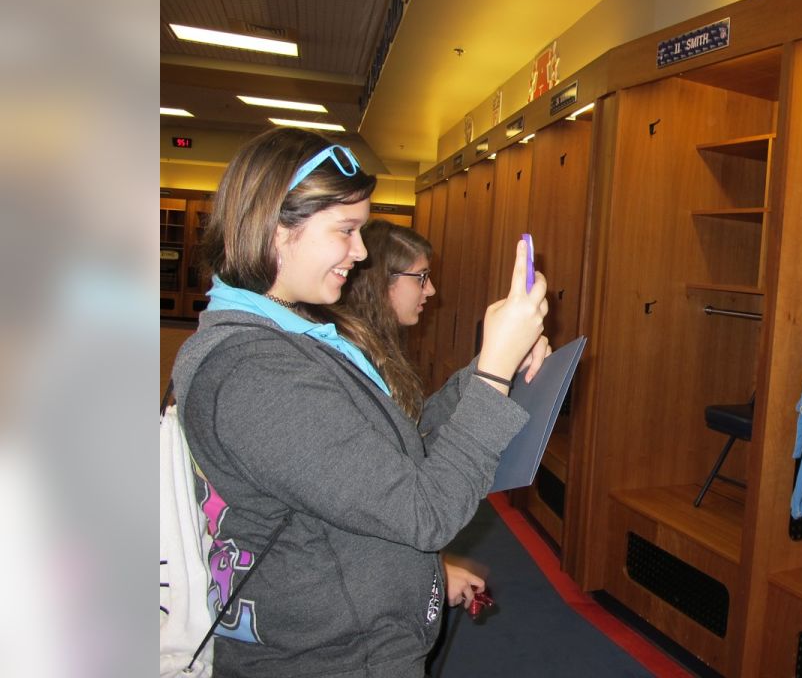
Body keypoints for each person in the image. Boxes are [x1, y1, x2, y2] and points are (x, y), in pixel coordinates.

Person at [170, 127, 549, 677]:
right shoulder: (252, 372)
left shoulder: (293, 335)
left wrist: (494, 366)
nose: (361, 251)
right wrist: (492, 374)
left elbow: (395, 454)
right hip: (332, 660)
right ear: (276, 229)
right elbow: (426, 512)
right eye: (345, 230)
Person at [333, 219, 492, 611]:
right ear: (379, 281)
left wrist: (490, 365)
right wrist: (431, 570)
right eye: (421, 278)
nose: (431, 290)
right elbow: (380, 502)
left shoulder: (377, 346)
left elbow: (414, 428)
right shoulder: (352, 359)